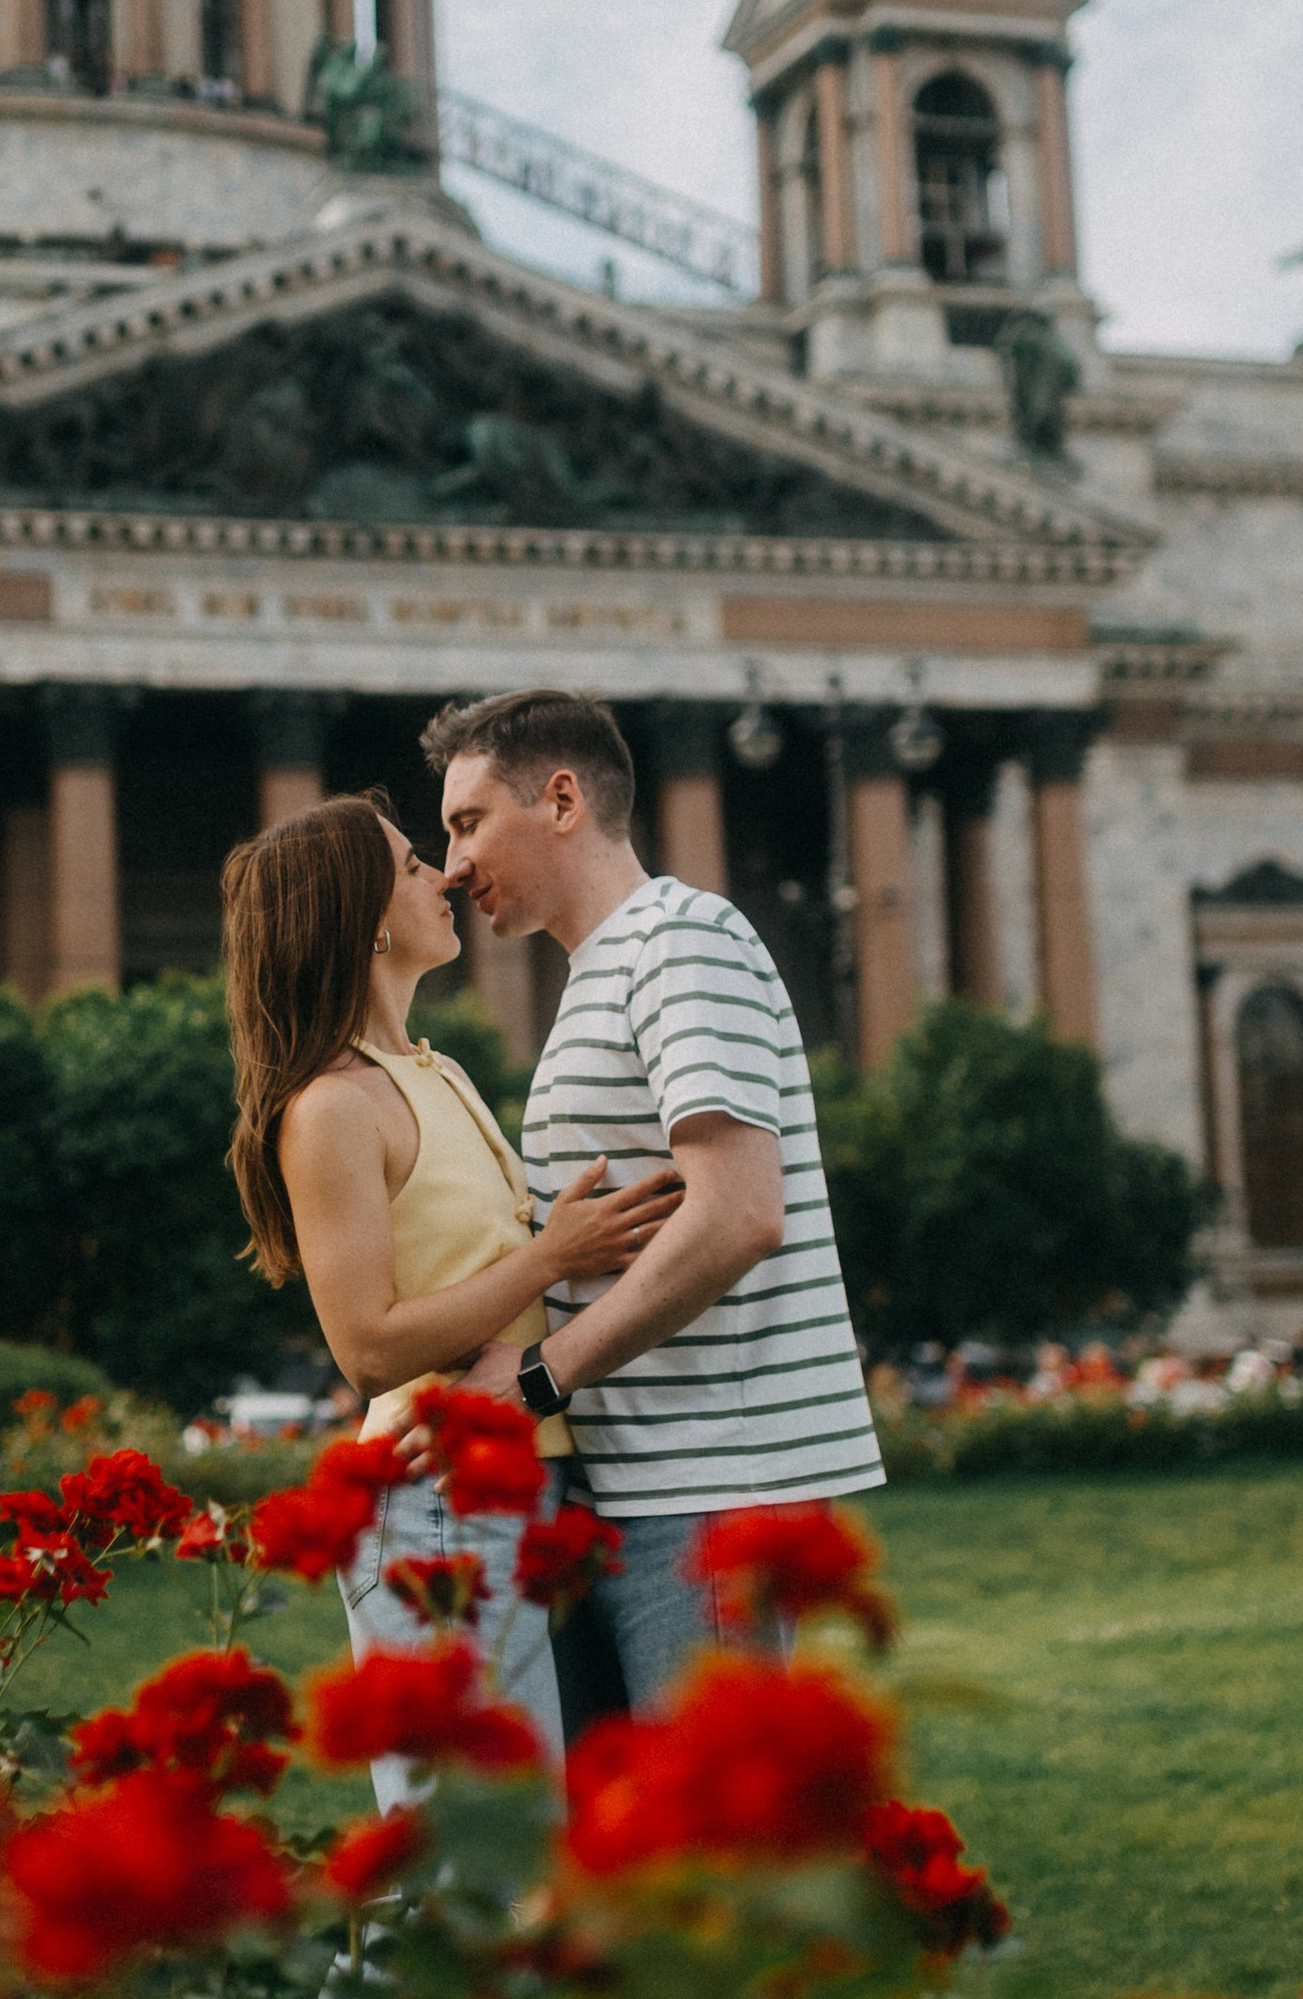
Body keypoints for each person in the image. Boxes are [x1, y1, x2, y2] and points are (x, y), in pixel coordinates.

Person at [423, 689, 881, 1721]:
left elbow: (738, 1214)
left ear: (562, 800)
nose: (452, 865)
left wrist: (537, 1377)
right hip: (640, 1487)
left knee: (708, 1818)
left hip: (705, 1490)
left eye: (468, 823)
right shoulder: (607, 967)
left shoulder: (682, 941)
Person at [220, 791, 681, 1789]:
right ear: (364, 920)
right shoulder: (332, 1108)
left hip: (525, 1483)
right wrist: (551, 1257)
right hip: (434, 1502)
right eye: (411, 865)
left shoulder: (437, 1070)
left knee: (544, 1842)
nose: (448, 874)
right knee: (475, 1855)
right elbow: (368, 1348)